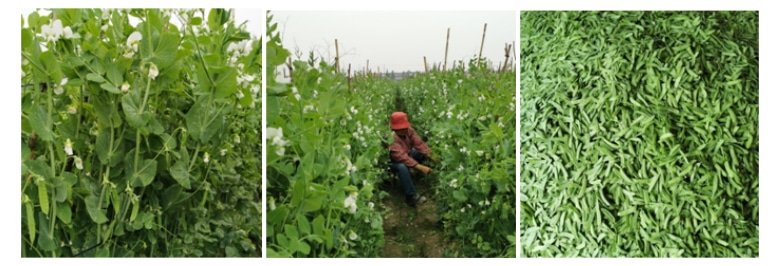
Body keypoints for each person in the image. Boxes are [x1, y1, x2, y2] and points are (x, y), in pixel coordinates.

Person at [388, 112, 438, 206]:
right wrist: (421, 167)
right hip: (394, 162)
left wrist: (433, 157)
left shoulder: (408, 130)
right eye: (401, 128)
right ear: (394, 128)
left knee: (420, 151)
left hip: (407, 154)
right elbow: (401, 157)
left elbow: (419, 144)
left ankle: (414, 174)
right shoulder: (390, 138)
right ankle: (411, 196)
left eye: (405, 127)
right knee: (402, 167)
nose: (404, 130)